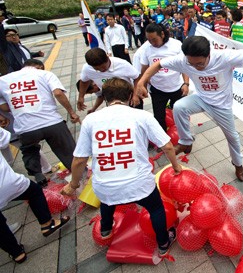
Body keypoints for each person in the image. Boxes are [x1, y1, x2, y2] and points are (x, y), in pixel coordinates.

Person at [62, 78, 182, 258]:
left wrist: (73, 185)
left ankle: (106, 229)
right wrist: (176, 166)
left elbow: (79, 160)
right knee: (156, 209)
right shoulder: (142, 116)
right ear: (129, 95)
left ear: (105, 97)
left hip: (104, 186)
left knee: (107, 200)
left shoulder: (91, 120)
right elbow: (167, 146)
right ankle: (163, 243)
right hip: (139, 184)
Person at [136, 36, 243, 182]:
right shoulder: (183, 60)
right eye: (191, 64)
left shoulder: (223, 56)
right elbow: (157, 65)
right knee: (179, 106)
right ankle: (186, 141)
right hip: (201, 98)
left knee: (233, 137)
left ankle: (238, 164)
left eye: (199, 63)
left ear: (209, 54)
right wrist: (141, 82)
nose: (195, 67)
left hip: (221, 105)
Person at [0, 59, 79, 186]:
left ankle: (39, 176)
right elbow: (58, 93)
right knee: (67, 150)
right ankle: (81, 176)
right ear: (39, 66)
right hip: (52, 122)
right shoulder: (45, 74)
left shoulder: (3, 80)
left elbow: (4, 107)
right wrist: (71, 112)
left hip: (26, 127)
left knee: (29, 151)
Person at [0, 126, 70, 264]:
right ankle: (47, 223)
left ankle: (17, 253)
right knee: (34, 191)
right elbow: (6, 141)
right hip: (5, 182)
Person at [140, 23, 189, 132]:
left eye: (154, 39)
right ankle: (163, 140)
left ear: (162, 34)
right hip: (158, 89)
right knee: (159, 116)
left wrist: (186, 83)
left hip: (177, 87)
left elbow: (184, 66)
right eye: (149, 40)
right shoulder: (146, 48)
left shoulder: (176, 45)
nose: (152, 43)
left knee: (181, 114)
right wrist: (142, 85)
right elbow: (144, 69)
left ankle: (185, 136)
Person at [77, 48, 141, 112]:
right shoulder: (87, 69)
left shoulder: (122, 64)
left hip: (130, 97)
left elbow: (137, 77)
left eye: (103, 67)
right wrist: (81, 97)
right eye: (97, 69)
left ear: (108, 58)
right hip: (110, 100)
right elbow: (84, 81)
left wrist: (135, 95)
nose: (101, 70)